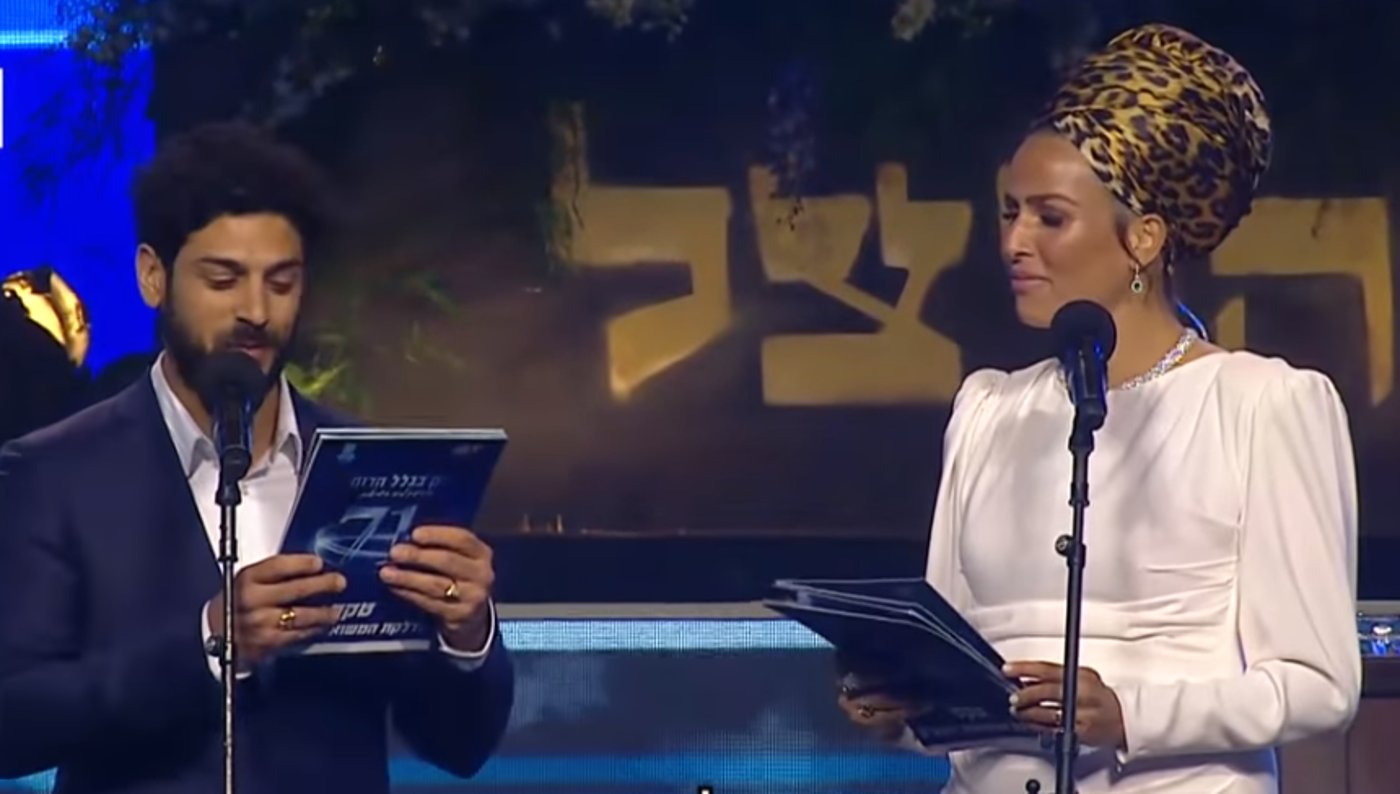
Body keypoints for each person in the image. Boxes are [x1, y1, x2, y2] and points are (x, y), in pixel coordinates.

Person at [838, 23, 1360, 794]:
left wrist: (1131, 716)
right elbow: (953, 660)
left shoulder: (1261, 404)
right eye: (1009, 212)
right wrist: (902, 705)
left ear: (1144, 237)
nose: (1015, 242)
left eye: (1049, 217)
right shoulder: (988, 409)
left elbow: (1320, 685)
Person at [0, 122, 514, 793]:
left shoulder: (367, 471)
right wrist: (208, 646)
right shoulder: (55, 473)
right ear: (153, 277)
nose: (256, 311)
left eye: (281, 281)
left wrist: (466, 633)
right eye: (223, 279)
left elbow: (461, 745)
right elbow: (13, 721)